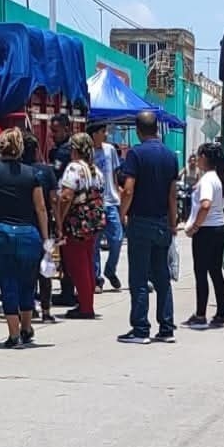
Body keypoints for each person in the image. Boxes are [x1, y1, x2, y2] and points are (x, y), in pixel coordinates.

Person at [0, 129, 49, 347]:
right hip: (29, 233)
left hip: (1, 233)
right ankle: (26, 327)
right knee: (27, 282)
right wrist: (45, 238)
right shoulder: (31, 174)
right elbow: (41, 208)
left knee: (7, 283)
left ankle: (14, 334)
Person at [118, 111, 179, 344]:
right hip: (162, 221)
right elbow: (172, 195)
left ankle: (141, 328)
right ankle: (166, 327)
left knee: (139, 277)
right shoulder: (169, 156)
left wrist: (122, 213)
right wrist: (173, 223)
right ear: (156, 128)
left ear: (138, 130)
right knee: (162, 276)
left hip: (140, 221)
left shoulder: (135, 154)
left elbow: (129, 189)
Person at [56, 133, 104, 320]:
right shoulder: (96, 171)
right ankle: (87, 301)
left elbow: (67, 196)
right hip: (91, 222)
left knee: (77, 264)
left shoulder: (74, 168)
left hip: (76, 222)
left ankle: (85, 307)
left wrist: (59, 219)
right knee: (87, 260)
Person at [182, 143, 224, 330]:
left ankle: (201, 314)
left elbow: (206, 204)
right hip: (219, 228)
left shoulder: (208, 180)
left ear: (204, 157)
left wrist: (195, 226)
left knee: (201, 272)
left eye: (199, 156)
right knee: (216, 272)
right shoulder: (218, 178)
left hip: (207, 230)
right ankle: (221, 314)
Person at [21, 132, 59, 323]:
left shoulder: (19, 171)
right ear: (36, 150)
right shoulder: (46, 171)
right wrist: (58, 226)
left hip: (23, 223)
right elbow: (53, 201)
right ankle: (46, 310)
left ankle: (29, 308)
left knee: (26, 272)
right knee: (46, 269)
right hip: (44, 225)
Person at [88, 121, 124, 292]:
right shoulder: (87, 153)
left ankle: (111, 269)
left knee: (117, 238)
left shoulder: (110, 150)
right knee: (94, 243)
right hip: (95, 203)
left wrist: (118, 196)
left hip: (111, 201)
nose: (106, 134)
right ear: (94, 133)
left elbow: (116, 175)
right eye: (103, 131)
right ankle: (97, 278)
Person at [48, 114, 77, 306]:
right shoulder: (60, 150)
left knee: (65, 251)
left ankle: (67, 291)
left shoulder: (64, 152)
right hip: (63, 204)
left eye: (56, 131)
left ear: (67, 129)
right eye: (52, 131)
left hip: (64, 205)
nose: (53, 135)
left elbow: (55, 175)